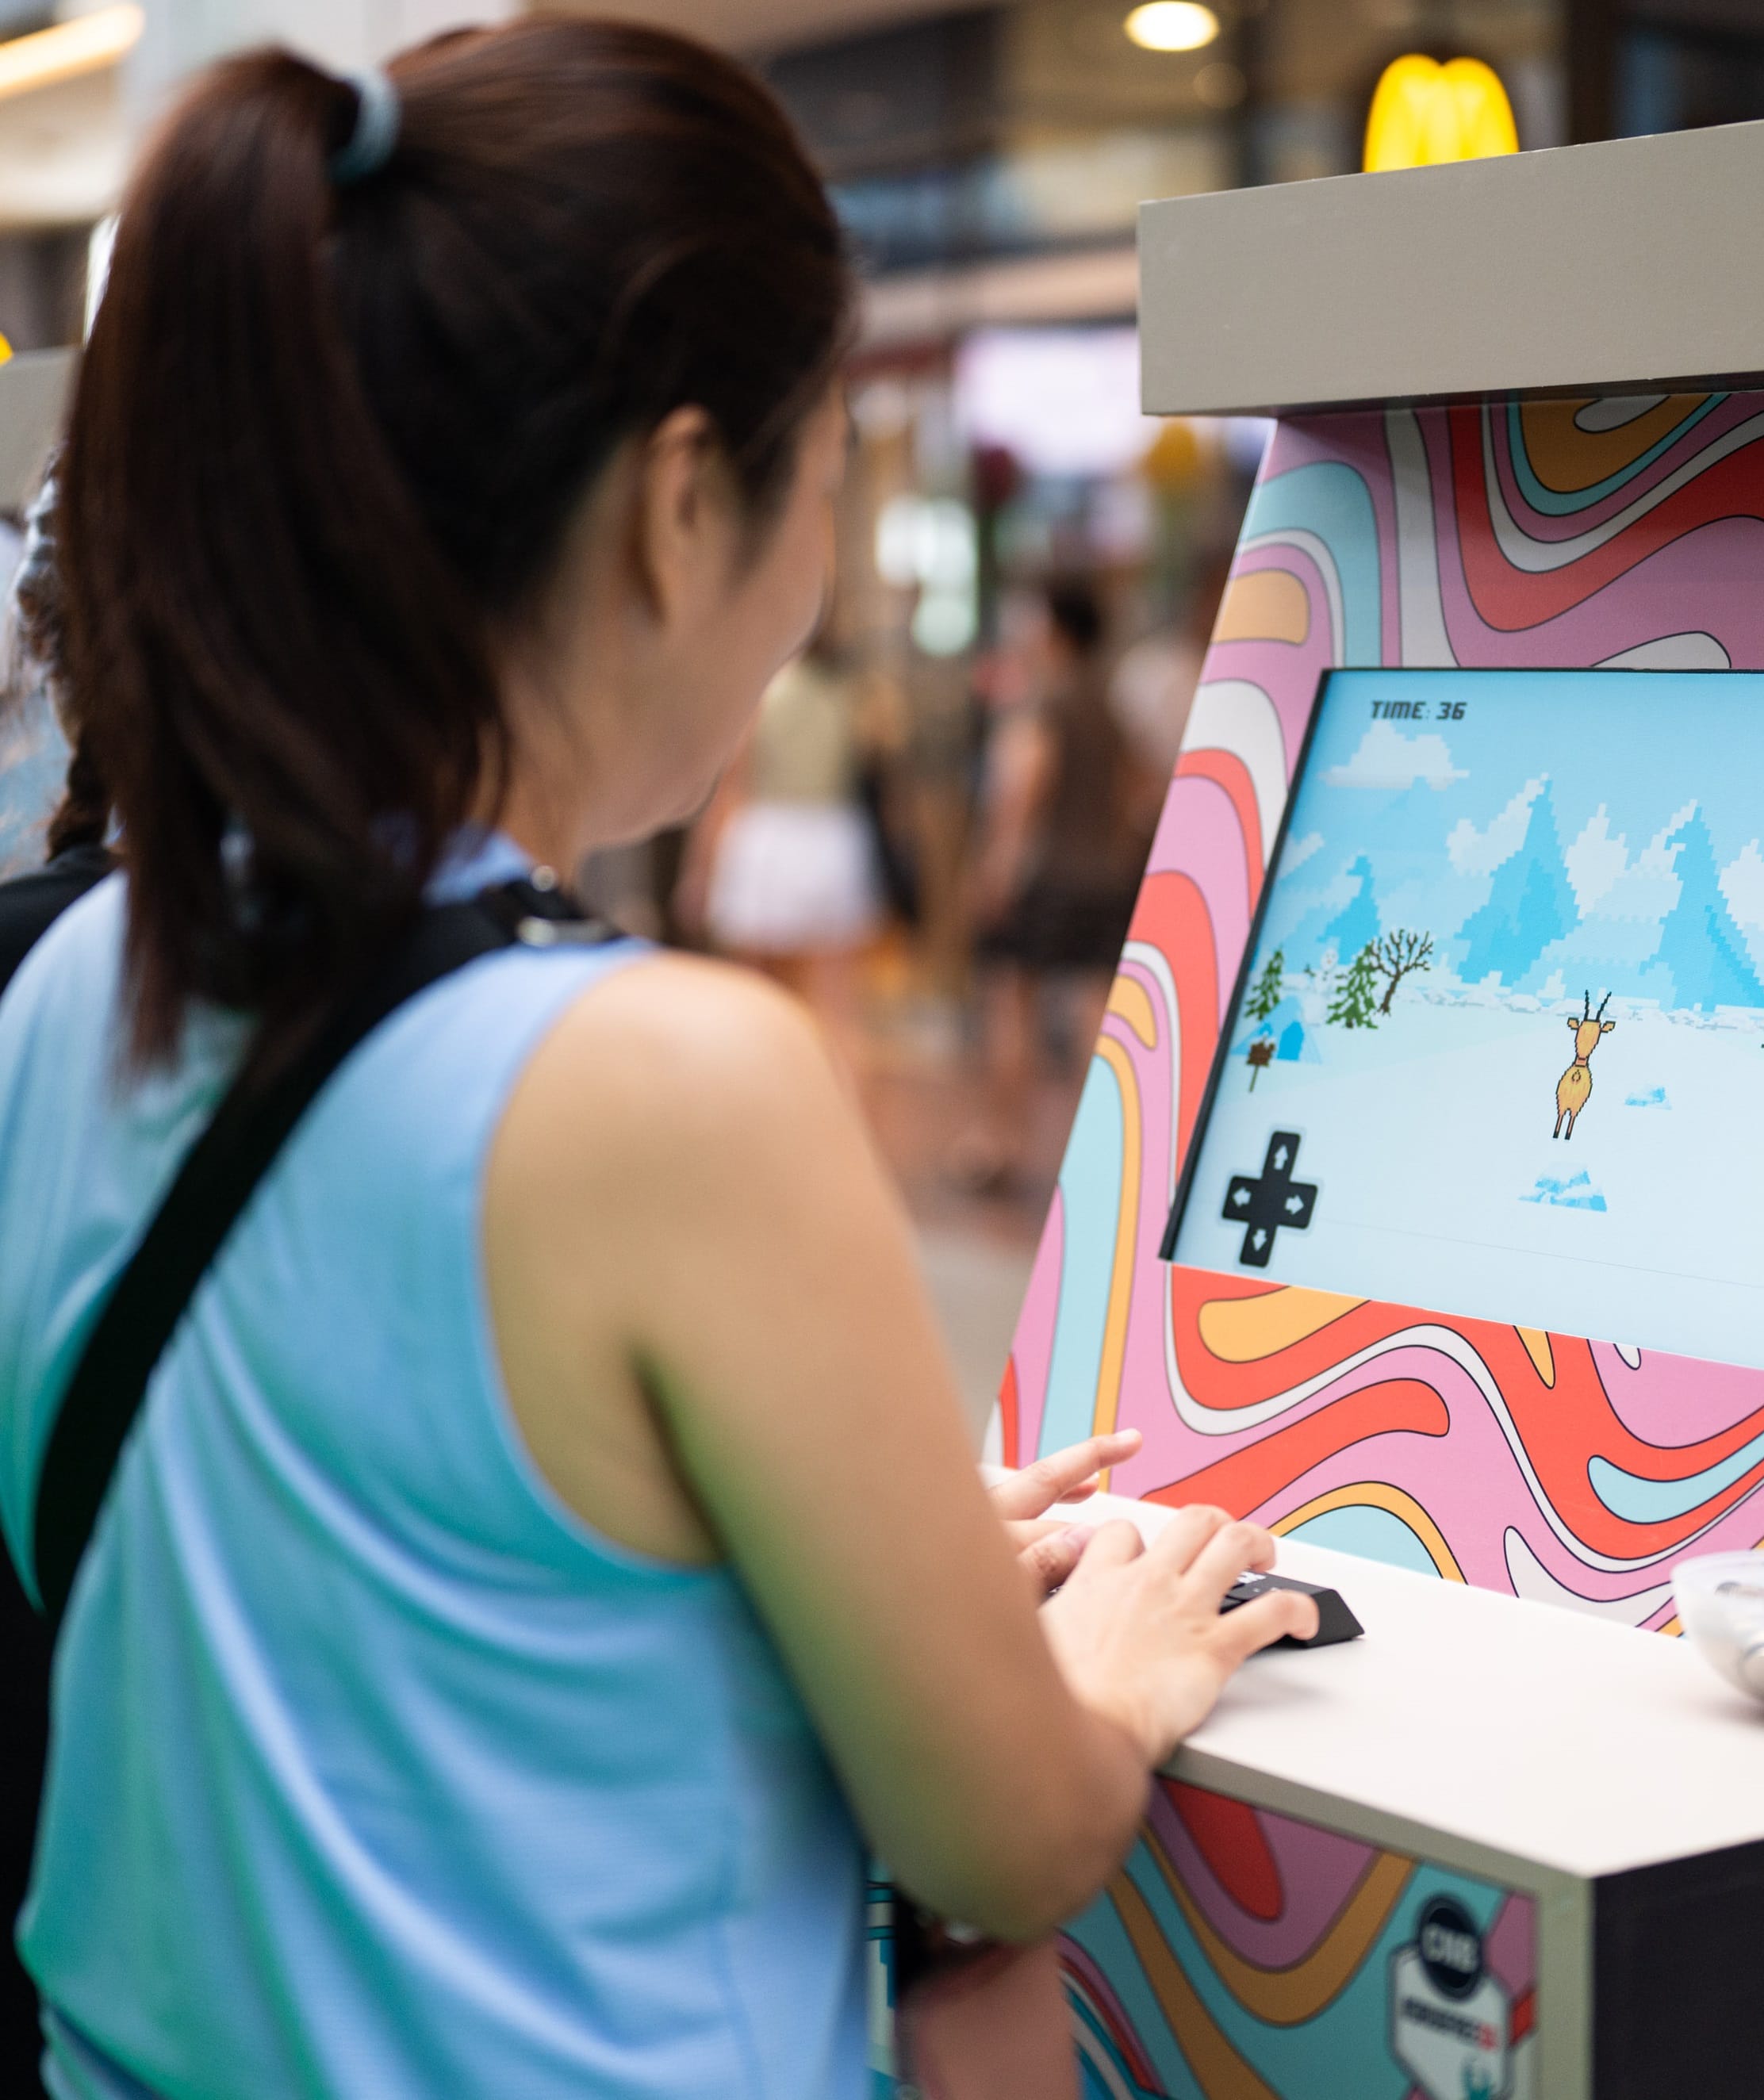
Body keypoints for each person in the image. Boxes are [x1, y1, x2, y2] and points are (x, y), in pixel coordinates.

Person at [0, 26, 1312, 2099]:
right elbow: (1010, 1832)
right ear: (684, 503)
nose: (808, 584)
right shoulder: (666, 1082)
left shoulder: (84, 985)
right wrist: (1101, 1671)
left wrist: (805, 1531)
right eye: (818, 480)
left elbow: (331, 1596)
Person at [960, 581, 1152, 1191]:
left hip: (1043, 878)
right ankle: (1105, 1153)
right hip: (1104, 878)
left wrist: (994, 868)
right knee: (1096, 1013)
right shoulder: (1110, 705)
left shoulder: (1047, 704)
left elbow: (1023, 790)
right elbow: (1137, 790)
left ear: (1056, 630)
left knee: (1009, 1007)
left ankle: (999, 1148)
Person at [680, 634, 886, 1060]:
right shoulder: (849, 694)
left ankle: (759, 1093)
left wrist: (699, 870)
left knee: (753, 991)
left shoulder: (761, 692)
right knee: (835, 1001)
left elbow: (733, 785)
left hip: (771, 840)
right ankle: (841, 1106)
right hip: (833, 839)